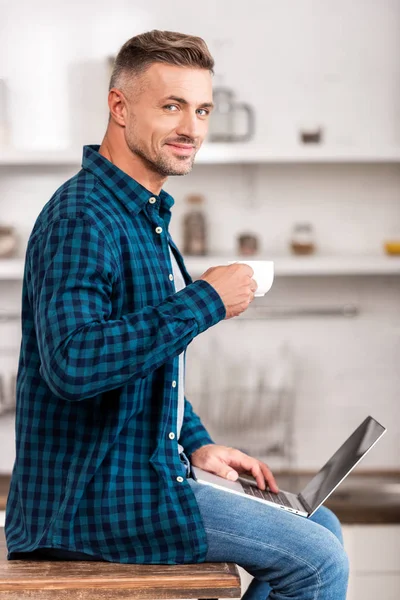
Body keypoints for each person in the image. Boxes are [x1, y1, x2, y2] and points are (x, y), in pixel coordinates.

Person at [5, 29, 349, 599]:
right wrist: (207, 300)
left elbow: (143, 361)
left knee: (323, 526)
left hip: (137, 482)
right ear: (119, 107)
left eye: (202, 109)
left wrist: (195, 442)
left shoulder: (143, 217)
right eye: (172, 106)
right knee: (315, 561)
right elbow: (74, 363)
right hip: (90, 502)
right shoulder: (83, 217)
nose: (192, 128)